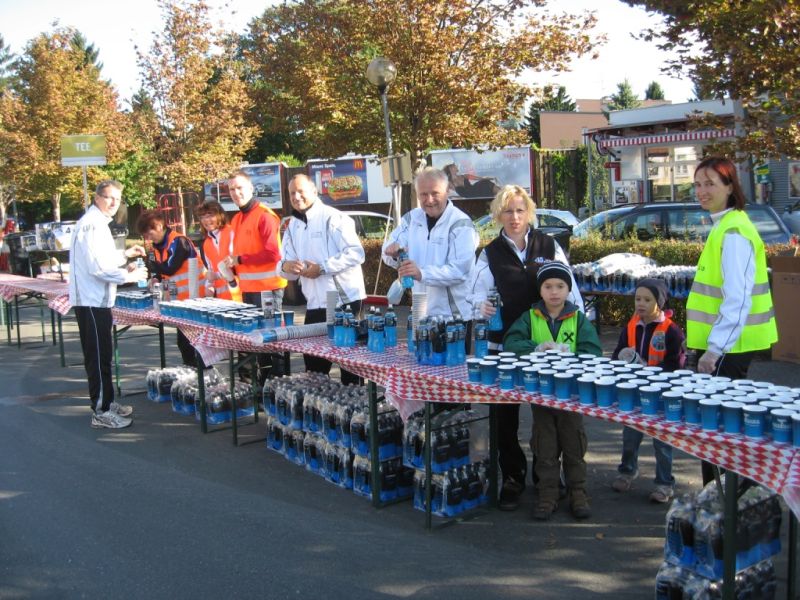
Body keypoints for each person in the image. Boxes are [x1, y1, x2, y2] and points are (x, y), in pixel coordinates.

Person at [469, 184, 583, 511]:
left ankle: (547, 476)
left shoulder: (548, 244)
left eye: (520, 210)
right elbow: (477, 294)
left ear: (529, 212)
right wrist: (482, 306)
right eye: (508, 211)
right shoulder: (490, 252)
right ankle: (513, 476)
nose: (515, 217)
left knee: (547, 413)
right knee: (504, 413)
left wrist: (577, 332)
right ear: (498, 215)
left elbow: (570, 290)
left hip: (546, 343)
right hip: (503, 343)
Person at [686, 157, 777, 485]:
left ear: (729, 186)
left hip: (728, 350)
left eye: (710, 183)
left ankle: (724, 505)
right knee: (717, 431)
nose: (702, 190)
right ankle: (720, 503)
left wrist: (714, 350)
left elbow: (737, 300)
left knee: (719, 432)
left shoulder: (734, 231)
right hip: (726, 348)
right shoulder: (725, 226)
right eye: (697, 184)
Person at [504, 262, 601, 520]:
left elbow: (594, 351)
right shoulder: (530, 316)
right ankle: (547, 493)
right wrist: (536, 347)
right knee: (544, 447)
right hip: (541, 395)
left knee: (573, 445)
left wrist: (574, 356)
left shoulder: (579, 319)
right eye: (548, 286)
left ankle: (577, 492)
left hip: (571, 396)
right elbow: (511, 342)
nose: (554, 292)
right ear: (541, 290)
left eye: (560, 286)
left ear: (568, 290)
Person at [68, 180, 147, 429]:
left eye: (117, 198)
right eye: (109, 197)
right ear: (97, 197)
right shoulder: (92, 225)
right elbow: (98, 268)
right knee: (98, 357)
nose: (114, 203)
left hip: (97, 300)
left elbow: (103, 258)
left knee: (103, 356)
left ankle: (107, 402)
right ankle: (101, 411)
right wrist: (129, 276)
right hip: (91, 301)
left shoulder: (98, 223)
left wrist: (125, 256)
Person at [278, 174, 366, 383]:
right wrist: (286, 266)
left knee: (351, 368)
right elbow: (284, 267)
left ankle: (356, 414)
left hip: (346, 303)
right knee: (314, 370)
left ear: (314, 192)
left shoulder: (333, 217)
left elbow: (356, 253)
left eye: (301, 191)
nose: (297, 197)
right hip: (315, 305)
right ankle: (323, 412)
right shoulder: (292, 226)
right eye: (292, 193)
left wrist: (323, 268)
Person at [610, 278, 685, 503]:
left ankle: (664, 484)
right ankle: (627, 471)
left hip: (661, 395)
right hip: (633, 393)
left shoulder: (671, 330)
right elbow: (617, 354)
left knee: (662, 441)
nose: (640, 304)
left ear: (659, 303)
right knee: (630, 436)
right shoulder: (631, 326)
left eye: (647, 299)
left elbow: (677, 362)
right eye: (637, 299)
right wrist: (623, 360)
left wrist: (652, 372)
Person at [382, 167, 478, 323]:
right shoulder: (412, 219)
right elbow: (388, 251)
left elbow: (460, 270)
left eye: (435, 193)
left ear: (447, 191)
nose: (429, 200)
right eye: (424, 194)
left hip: (454, 318)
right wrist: (393, 253)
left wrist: (422, 274)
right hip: (421, 313)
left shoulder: (461, 224)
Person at [223, 170, 288, 381]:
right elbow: (240, 252)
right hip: (249, 289)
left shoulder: (265, 215)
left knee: (271, 340)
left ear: (251, 188)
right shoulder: (237, 218)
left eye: (240, 187)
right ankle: (262, 388)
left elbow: (273, 254)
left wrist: (240, 260)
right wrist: (231, 265)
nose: (236, 192)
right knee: (257, 341)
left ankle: (276, 385)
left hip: (268, 288)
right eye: (232, 189)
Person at [136, 210, 206, 367]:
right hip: (177, 301)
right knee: (184, 343)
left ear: (160, 226)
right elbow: (163, 273)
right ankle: (191, 371)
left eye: (150, 232)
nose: (148, 237)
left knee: (193, 343)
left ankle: (202, 375)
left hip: (194, 298)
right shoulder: (156, 247)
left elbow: (170, 268)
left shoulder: (178, 241)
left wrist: (147, 260)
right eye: (145, 235)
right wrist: (155, 278)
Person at [194, 200, 242, 302]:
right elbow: (211, 270)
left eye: (210, 215)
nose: (206, 220)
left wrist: (216, 275)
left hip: (242, 295)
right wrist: (209, 284)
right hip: (223, 300)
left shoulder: (231, 232)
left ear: (220, 216)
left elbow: (238, 262)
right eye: (202, 217)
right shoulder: (206, 243)